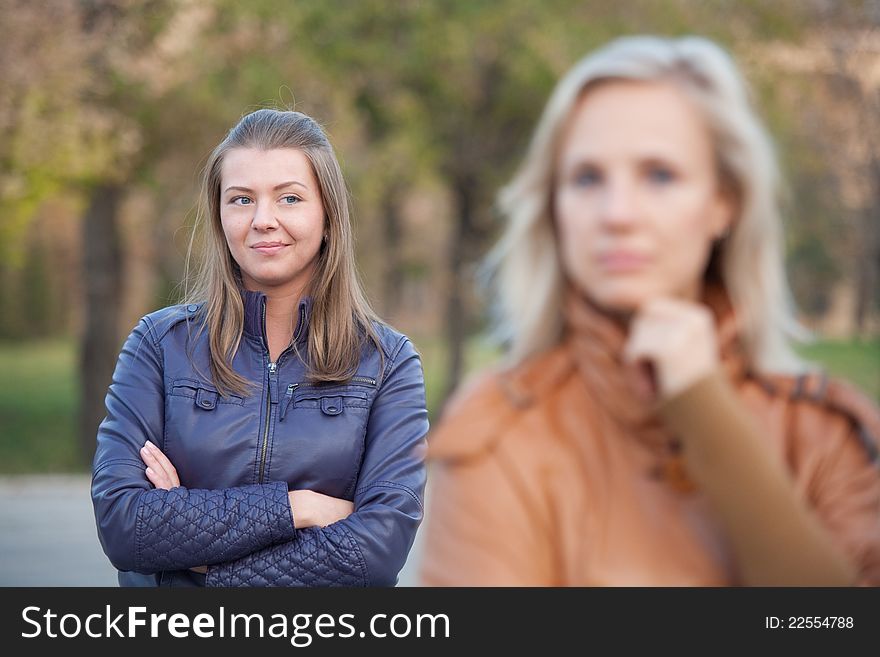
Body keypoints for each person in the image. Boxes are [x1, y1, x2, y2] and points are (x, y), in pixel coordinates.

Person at [419, 36, 880, 586]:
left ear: (723, 202)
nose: (617, 214)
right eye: (587, 178)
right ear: (554, 208)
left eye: (659, 175)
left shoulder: (823, 433)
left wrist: (703, 405)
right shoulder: (495, 430)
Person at [91, 108, 428, 587]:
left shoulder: (387, 362)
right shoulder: (159, 346)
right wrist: (300, 508)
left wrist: (199, 561)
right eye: (241, 199)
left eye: (289, 198)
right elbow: (123, 525)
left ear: (328, 214)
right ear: (220, 216)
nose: (263, 221)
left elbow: (376, 553)